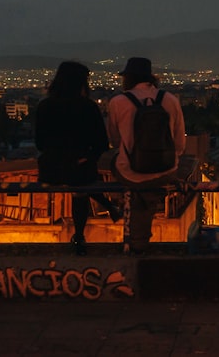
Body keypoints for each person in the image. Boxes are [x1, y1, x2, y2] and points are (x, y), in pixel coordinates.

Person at [35, 60, 120, 255]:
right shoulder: (88, 107)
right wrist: (86, 157)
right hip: (81, 169)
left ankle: (108, 207)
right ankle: (80, 235)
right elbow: (101, 143)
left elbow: (40, 143)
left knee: (77, 179)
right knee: (81, 186)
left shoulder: (45, 106)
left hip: (51, 169)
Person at [106, 57, 186, 254]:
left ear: (128, 79)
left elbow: (115, 142)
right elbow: (179, 144)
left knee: (115, 163)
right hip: (166, 170)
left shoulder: (118, 102)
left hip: (131, 172)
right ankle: (149, 201)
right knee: (149, 185)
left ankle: (135, 235)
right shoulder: (170, 100)